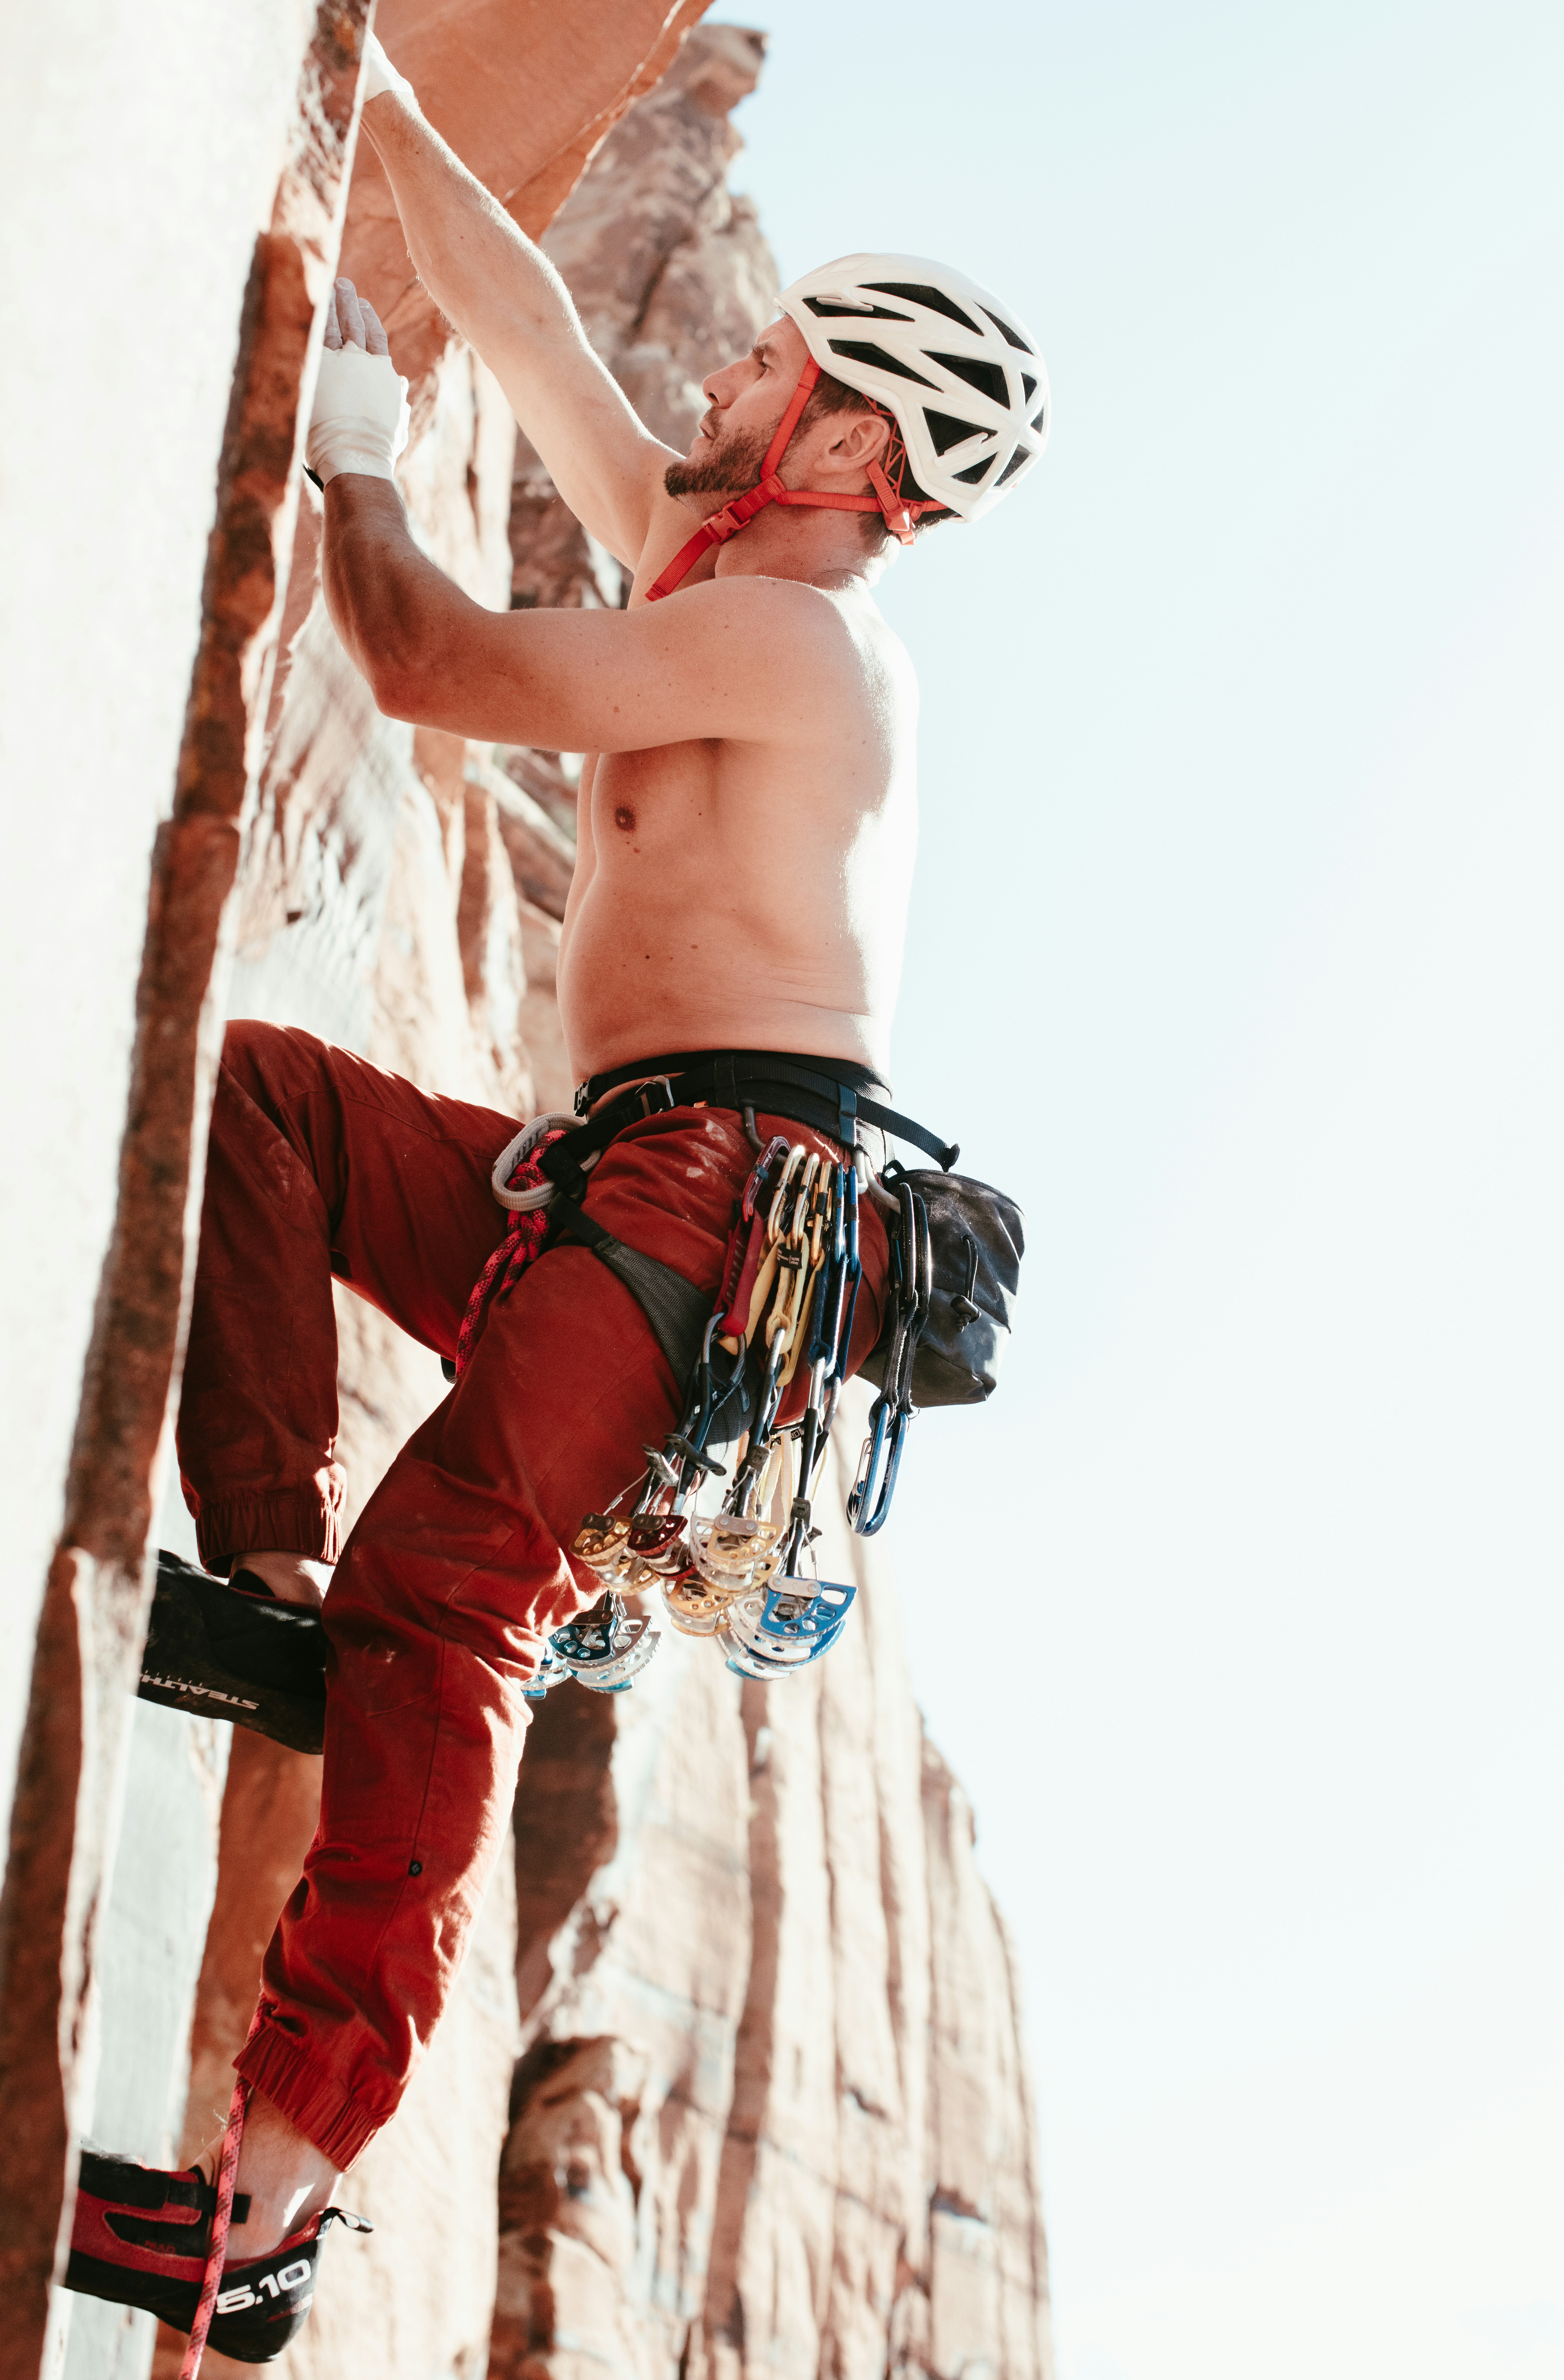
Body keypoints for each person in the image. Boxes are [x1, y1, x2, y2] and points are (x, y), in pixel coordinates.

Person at [66, 30, 1046, 2364]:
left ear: (843, 450)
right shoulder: (725, 557)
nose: (717, 368)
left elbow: (427, 662)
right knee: (273, 1111)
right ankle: (273, 1582)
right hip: (609, 1179)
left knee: (458, 1606)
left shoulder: (795, 645)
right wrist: (377, 100)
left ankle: (279, 2202)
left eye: (772, 364)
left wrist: (369, 464)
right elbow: (524, 310)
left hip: (712, 1211)